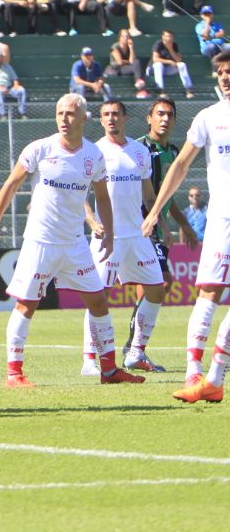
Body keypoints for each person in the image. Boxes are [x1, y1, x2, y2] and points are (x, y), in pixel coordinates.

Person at [0, 93, 144, 388]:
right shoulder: (40, 149)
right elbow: (10, 185)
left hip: (75, 244)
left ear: (83, 117)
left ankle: (109, 370)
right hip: (41, 242)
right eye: (59, 113)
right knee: (27, 304)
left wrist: (109, 232)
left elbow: (102, 197)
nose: (64, 119)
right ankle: (14, 373)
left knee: (98, 301)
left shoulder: (93, 155)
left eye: (70, 113)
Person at [143, 52, 230, 401]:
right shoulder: (209, 117)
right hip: (222, 219)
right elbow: (179, 165)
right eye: (220, 72)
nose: (225, 77)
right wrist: (156, 210)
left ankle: (215, 378)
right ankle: (194, 372)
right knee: (209, 291)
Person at [76, 100, 165, 376]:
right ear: (100, 120)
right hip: (108, 237)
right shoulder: (93, 151)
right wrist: (92, 221)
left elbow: (148, 194)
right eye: (106, 115)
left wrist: (159, 221)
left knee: (157, 290)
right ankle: (89, 361)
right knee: (98, 296)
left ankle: (136, 352)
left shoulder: (140, 151)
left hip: (137, 235)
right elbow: (79, 193)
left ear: (125, 118)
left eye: (115, 114)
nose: (111, 118)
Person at [122, 97, 197, 357]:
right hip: (141, 226)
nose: (165, 119)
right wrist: (162, 225)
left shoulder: (174, 152)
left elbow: (167, 196)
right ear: (149, 118)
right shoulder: (139, 149)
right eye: (160, 114)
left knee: (157, 283)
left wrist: (184, 225)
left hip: (156, 227)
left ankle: (133, 346)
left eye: (170, 115)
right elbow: (148, 196)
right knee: (161, 282)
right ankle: (131, 345)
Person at [151, 30, 197, 99]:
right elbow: (155, 59)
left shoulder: (174, 45)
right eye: (166, 36)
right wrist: (169, 61)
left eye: (170, 37)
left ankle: (188, 89)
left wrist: (170, 49)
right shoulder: (158, 44)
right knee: (158, 65)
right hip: (154, 70)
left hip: (168, 70)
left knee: (182, 65)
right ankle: (160, 90)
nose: (168, 38)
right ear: (163, 37)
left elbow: (178, 60)